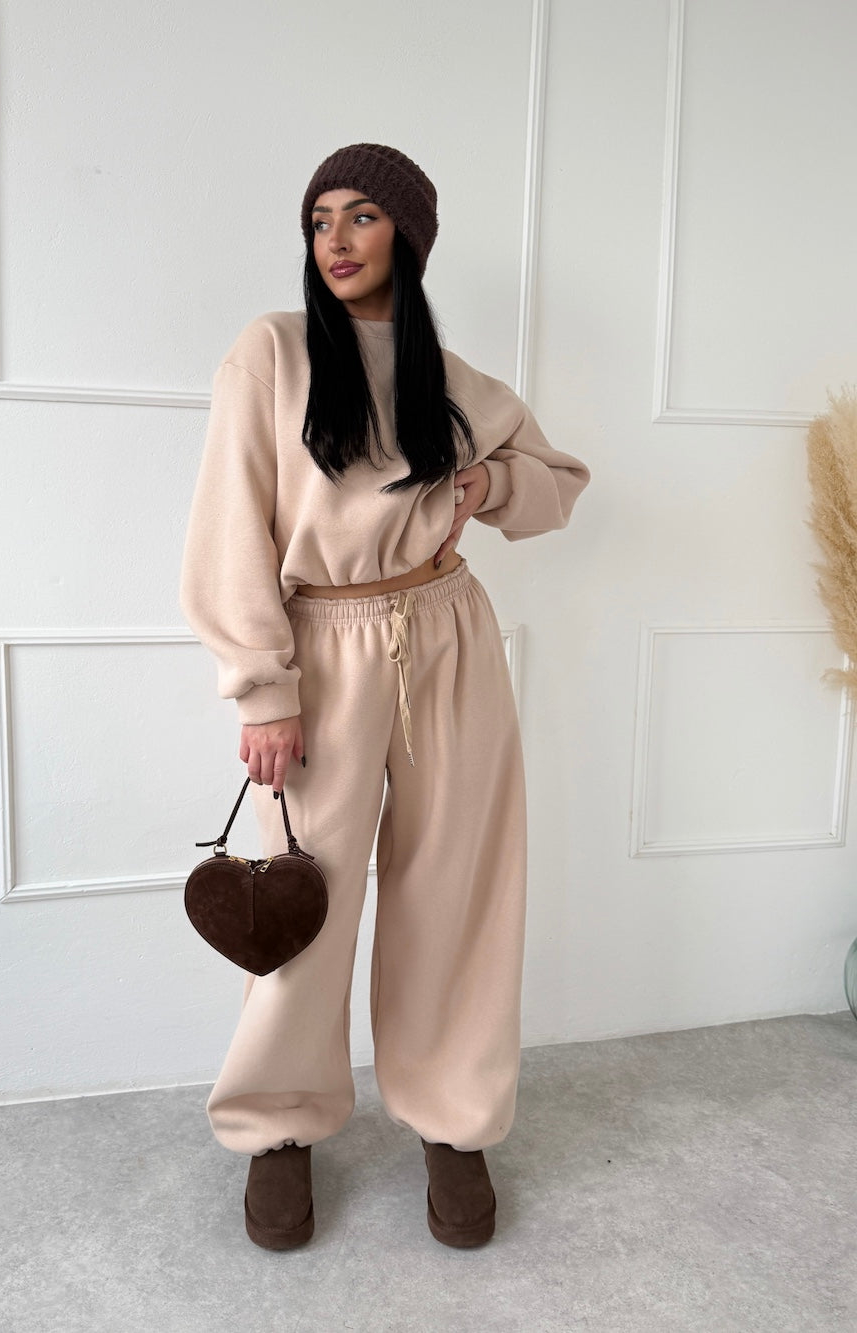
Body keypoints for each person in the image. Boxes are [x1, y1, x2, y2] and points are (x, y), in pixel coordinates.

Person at [179, 143, 590, 1250]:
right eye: (320, 220)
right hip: (321, 648)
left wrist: (488, 482)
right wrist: (262, 688)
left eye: (361, 215)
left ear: (408, 234)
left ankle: (454, 1117)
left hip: (449, 635)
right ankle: (277, 1124)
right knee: (301, 895)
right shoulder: (270, 353)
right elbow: (228, 531)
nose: (337, 239)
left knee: (457, 887)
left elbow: (558, 486)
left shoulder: (452, 381)